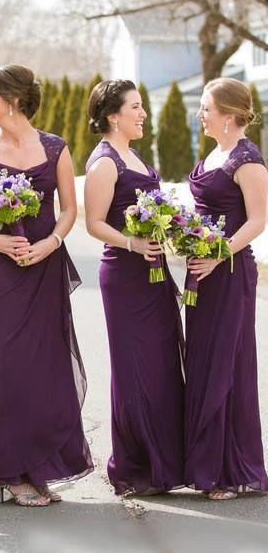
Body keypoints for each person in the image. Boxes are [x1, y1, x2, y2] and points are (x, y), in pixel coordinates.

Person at [0, 64, 93, 506]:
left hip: (45, 267)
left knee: (45, 366)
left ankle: (41, 468)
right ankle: (10, 471)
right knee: (3, 366)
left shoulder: (56, 148)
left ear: (12, 99)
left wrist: (51, 243)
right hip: (3, 272)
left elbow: (69, 209)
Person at [84, 79, 185, 496]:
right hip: (125, 277)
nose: (143, 114)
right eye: (136, 107)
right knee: (136, 367)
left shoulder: (133, 155)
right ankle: (136, 465)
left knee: (161, 364)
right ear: (113, 116)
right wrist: (133, 243)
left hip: (154, 273)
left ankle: (168, 462)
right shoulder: (104, 163)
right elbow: (93, 223)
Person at [184, 78, 268, 499]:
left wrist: (218, 254)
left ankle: (231, 469)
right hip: (201, 271)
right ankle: (203, 461)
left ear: (230, 116)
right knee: (202, 358)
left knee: (227, 362)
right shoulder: (216, 154)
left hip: (230, 271)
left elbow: (258, 220)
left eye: (207, 108)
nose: (201, 114)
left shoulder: (247, 160)